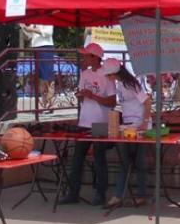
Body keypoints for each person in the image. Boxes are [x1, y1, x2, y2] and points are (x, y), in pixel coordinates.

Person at [58, 43, 117, 206]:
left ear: (94, 57)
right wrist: (81, 95)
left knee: (99, 158)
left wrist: (93, 96)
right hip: (84, 121)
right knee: (77, 158)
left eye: (86, 55)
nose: (83, 58)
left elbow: (112, 102)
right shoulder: (84, 74)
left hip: (100, 122)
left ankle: (100, 193)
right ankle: (73, 193)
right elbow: (82, 95)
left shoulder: (107, 76)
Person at [105, 60, 151, 209]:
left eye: (109, 75)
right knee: (126, 162)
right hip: (128, 126)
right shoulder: (119, 85)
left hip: (139, 126)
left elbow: (147, 102)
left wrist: (145, 122)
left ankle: (138, 195)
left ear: (114, 73)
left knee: (139, 162)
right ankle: (120, 195)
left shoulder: (131, 84)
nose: (108, 78)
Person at [20, 24, 56, 109]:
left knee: (48, 77)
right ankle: (44, 104)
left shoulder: (47, 19)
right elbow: (29, 36)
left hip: (46, 47)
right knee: (40, 78)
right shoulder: (34, 22)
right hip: (36, 48)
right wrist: (23, 27)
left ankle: (50, 104)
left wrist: (32, 29)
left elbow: (49, 32)